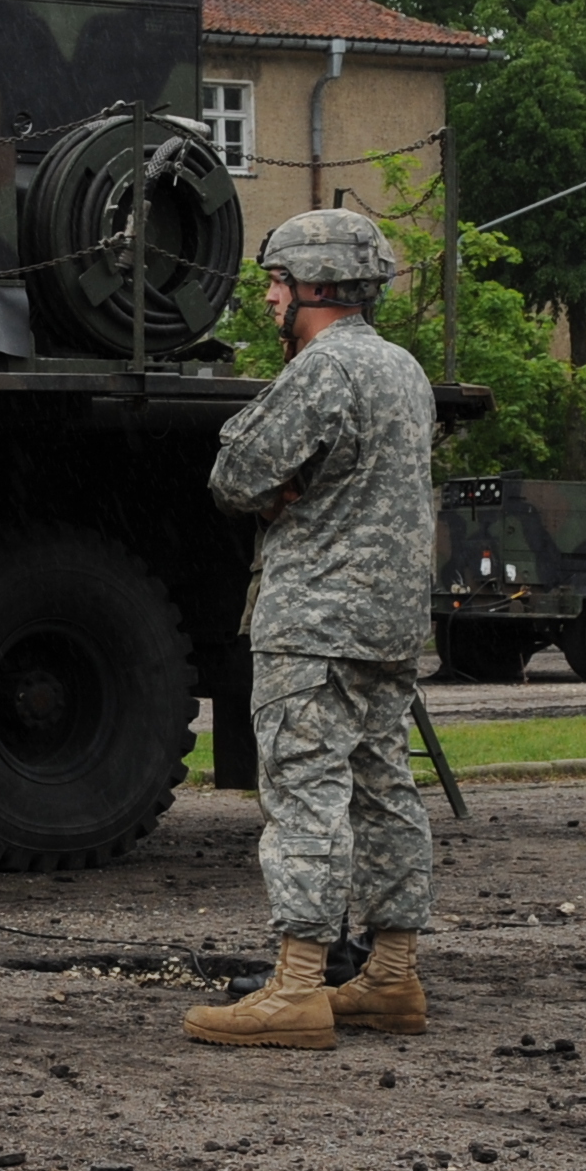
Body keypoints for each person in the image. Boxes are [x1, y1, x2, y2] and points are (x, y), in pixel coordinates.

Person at [186, 209, 436, 1050]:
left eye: (275, 283)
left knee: (305, 798)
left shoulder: (323, 370)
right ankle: (392, 978)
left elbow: (236, 472)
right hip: (391, 621)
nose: (266, 298)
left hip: (316, 621)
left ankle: (296, 987)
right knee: (383, 788)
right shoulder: (403, 368)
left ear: (314, 287)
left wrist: (273, 487)